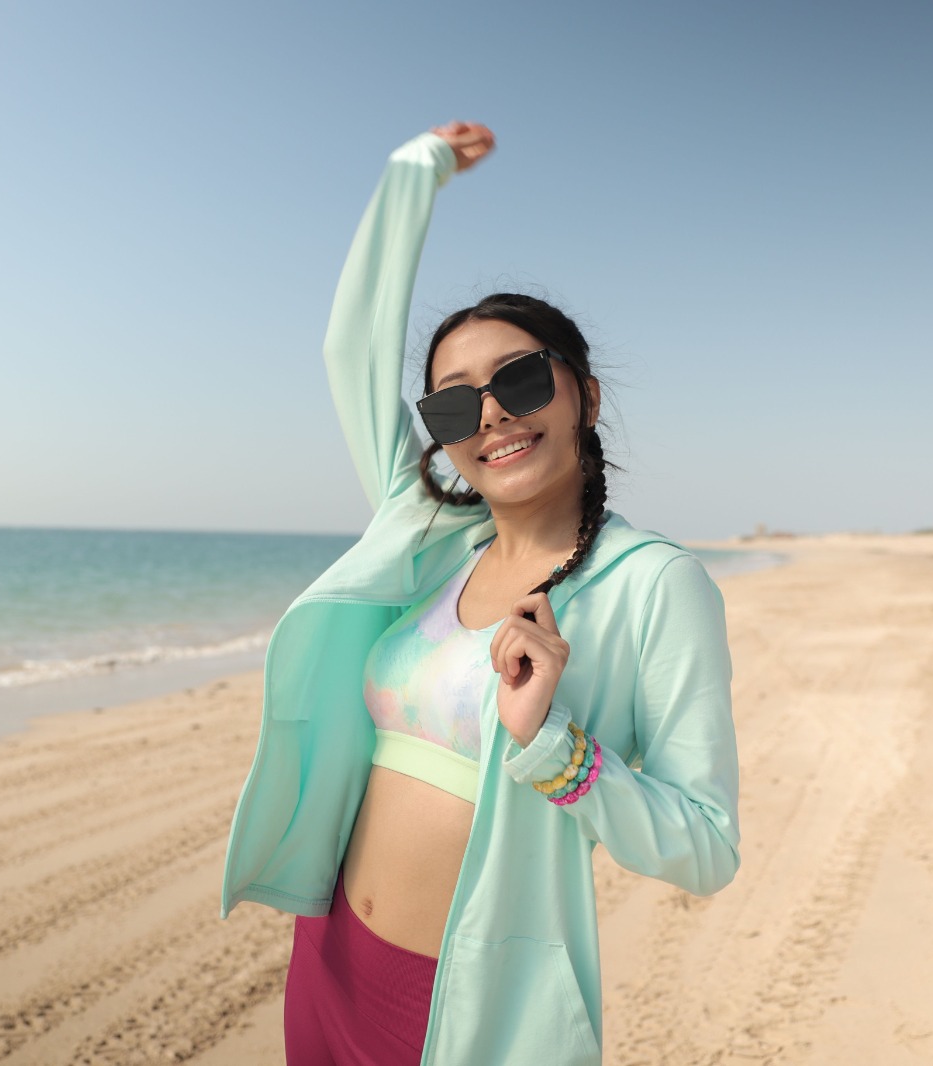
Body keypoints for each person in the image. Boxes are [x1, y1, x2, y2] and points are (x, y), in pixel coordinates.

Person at [221, 121, 740, 1065]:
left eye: (521, 379)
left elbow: (706, 847)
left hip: (468, 1011)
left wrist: (557, 751)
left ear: (584, 395)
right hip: (330, 958)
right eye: (455, 402)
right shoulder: (427, 536)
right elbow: (350, 351)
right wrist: (413, 174)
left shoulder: (656, 584)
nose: (492, 412)